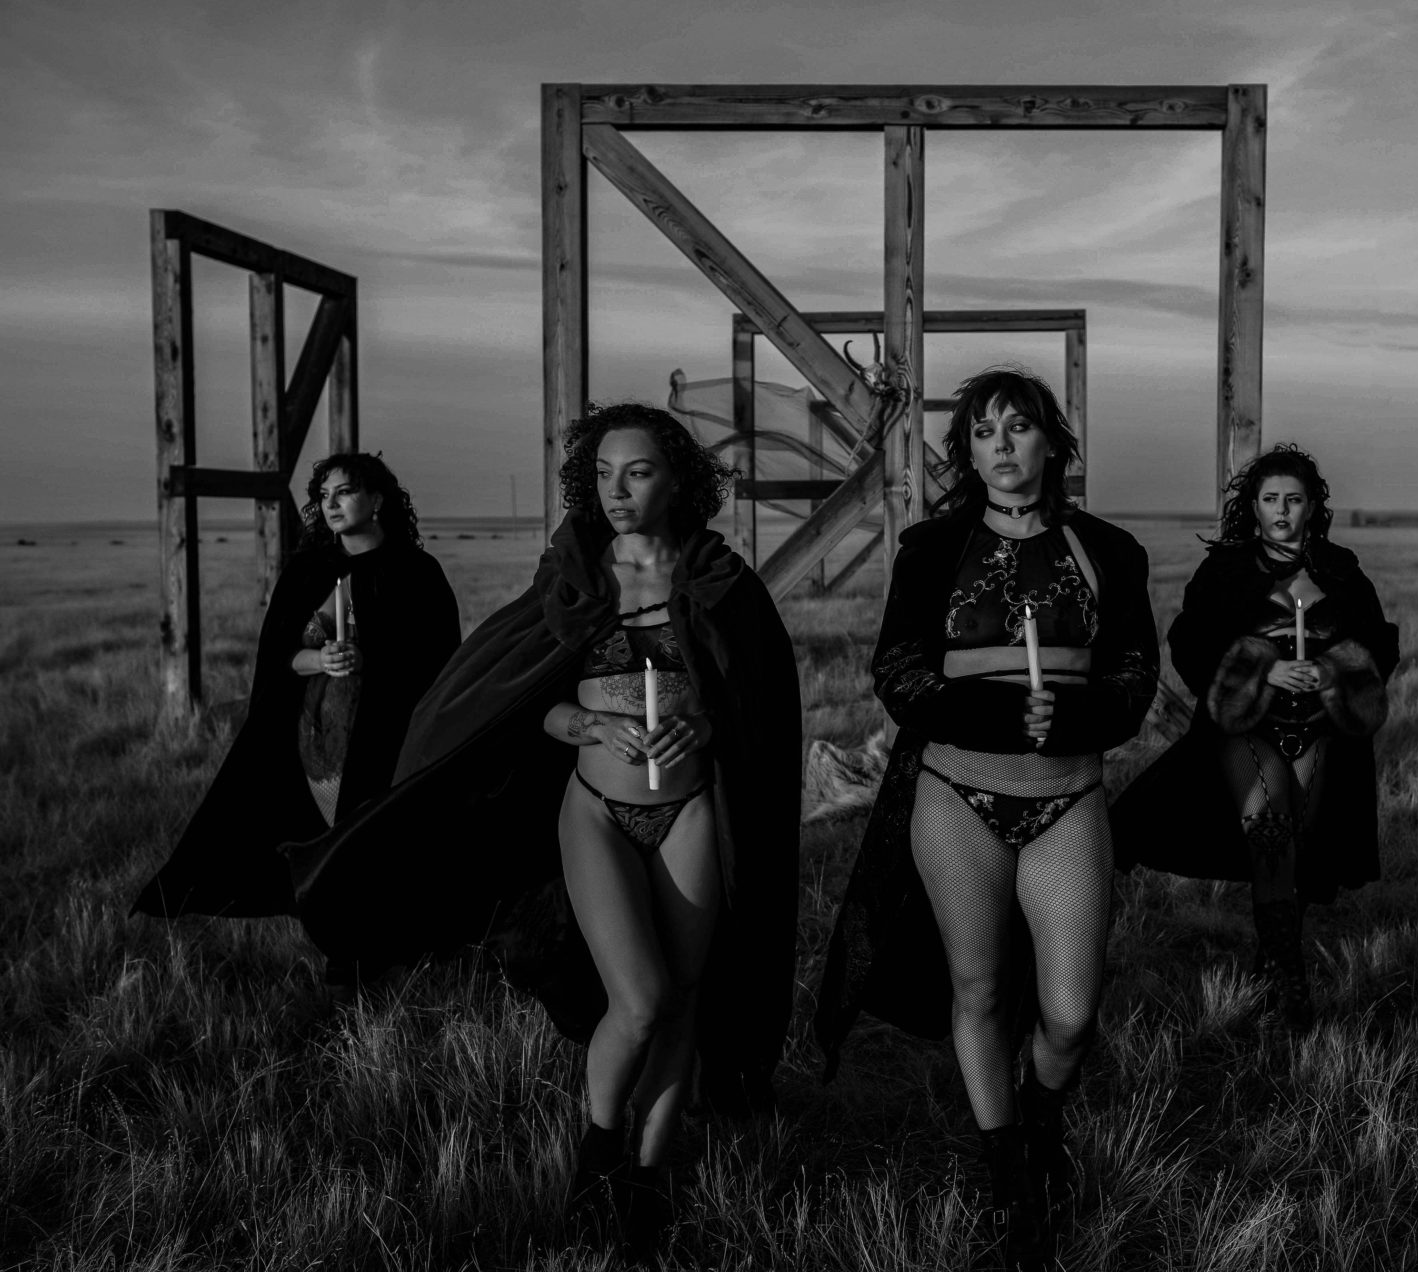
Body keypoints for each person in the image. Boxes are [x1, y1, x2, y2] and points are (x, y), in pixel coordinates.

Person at [283, 403, 801, 1255]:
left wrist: (703, 729)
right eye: (600, 473)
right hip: (596, 811)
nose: (617, 489)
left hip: (691, 812)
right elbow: (531, 701)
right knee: (638, 1002)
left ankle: (645, 1186)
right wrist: (587, 727)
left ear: (677, 477)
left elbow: (754, 711)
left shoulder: (718, 580)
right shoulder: (574, 574)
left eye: (636, 471)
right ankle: (593, 1164)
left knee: (682, 1004)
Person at [815, 367, 1159, 1271]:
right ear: (967, 451)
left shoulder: (1110, 552)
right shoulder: (932, 549)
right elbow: (898, 671)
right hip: (957, 793)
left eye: (1019, 428)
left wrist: (1075, 720)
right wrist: (996, 716)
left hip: (1067, 799)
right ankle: (1008, 1167)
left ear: (1053, 440)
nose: (1002, 447)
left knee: (1072, 1013)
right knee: (979, 990)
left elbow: (1132, 678)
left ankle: (1044, 1112)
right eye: (982, 433)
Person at [1112, 444, 1397, 1032]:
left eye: (1294, 500)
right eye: (1271, 500)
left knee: (1298, 851)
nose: (1283, 511)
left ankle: (1272, 963)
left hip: (1323, 731)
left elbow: (1379, 643)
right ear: (1256, 506)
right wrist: (1263, 669)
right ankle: (1293, 981)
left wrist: (1331, 671)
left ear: (1313, 506)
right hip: (1249, 729)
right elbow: (1190, 641)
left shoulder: (1341, 570)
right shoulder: (1228, 571)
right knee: (1270, 828)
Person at [133, 453, 460, 962]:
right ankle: (334, 940)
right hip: (312, 739)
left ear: (377, 500)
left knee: (376, 848)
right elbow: (278, 656)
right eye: (323, 496)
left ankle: (373, 956)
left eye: (344, 492)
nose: (330, 504)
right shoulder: (309, 571)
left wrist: (373, 660)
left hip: (385, 736)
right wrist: (320, 657)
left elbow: (439, 661)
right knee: (307, 842)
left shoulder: (417, 572)